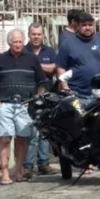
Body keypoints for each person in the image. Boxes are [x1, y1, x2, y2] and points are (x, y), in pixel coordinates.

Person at [0, 28, 48, 185]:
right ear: (9, 43)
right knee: (5, 139)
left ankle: (19, 170)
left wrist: (36, 98)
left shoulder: (32, 59)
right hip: (5, 104)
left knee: (22, 139)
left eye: (20, 41)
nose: (18, 44)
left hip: (25, 105)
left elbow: (42, 81)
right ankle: (5, 173)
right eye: (15, 42)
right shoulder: (0, 59)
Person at [22, 23, 59, 179]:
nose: (36, 37)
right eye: (33, 34)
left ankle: (44, 163)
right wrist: (43, 66)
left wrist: (35, 64)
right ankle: (27, 166)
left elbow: (54, 69)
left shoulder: (49, 51)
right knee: (30, 132)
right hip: (28, 97)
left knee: (45, 132)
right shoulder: (22, 51)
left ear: (42, 35)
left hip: (46, 97)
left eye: (39, 34)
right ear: (29, 35)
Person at [56, 11, 100, 104]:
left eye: (90, 25)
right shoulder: (67, 44)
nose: (88, 27)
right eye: (84, 25)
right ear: (78, 26)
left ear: (94, 26)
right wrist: (65, 88)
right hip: (76, 94)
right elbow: (61, 68)